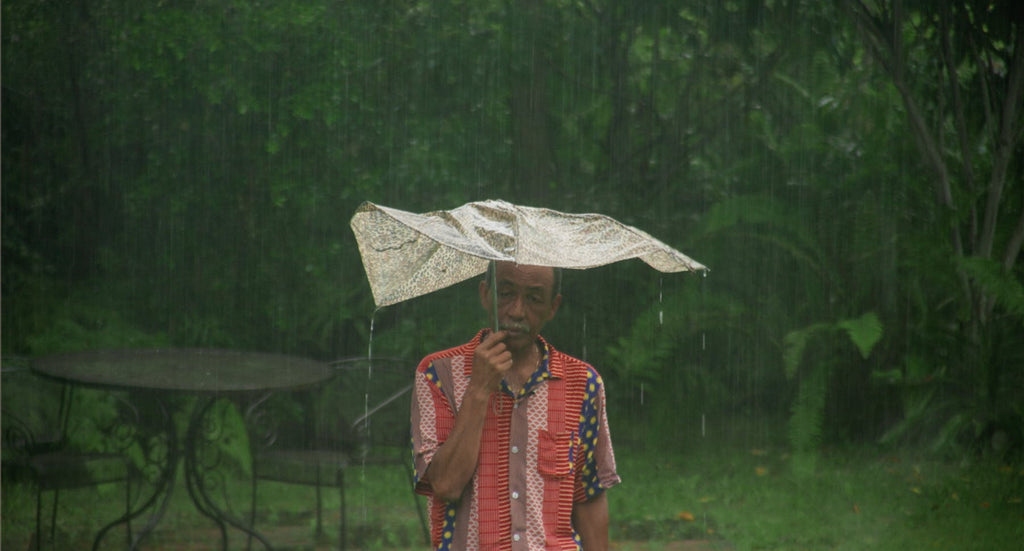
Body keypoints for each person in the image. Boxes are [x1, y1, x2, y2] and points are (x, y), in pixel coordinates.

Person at [411, 261, 620, 550]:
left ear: (553, 307)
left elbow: (589, 495)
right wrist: (479, 389)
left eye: (534, 298)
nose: (517, 311)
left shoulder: (583, 384)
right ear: (485, 294)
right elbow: (446, 485)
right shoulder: (438, 374)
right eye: (506, 294)